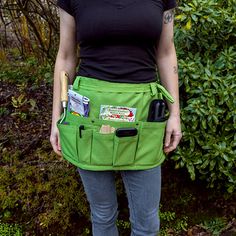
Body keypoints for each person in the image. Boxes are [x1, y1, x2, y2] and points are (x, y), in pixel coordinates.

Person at [50, 0, 182, 235]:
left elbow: (166, 52)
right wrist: (57, 119)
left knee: (147, 222)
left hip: (144, 117)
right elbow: (66, 55)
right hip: (87, 119)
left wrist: (175, 114)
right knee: (102, 213)